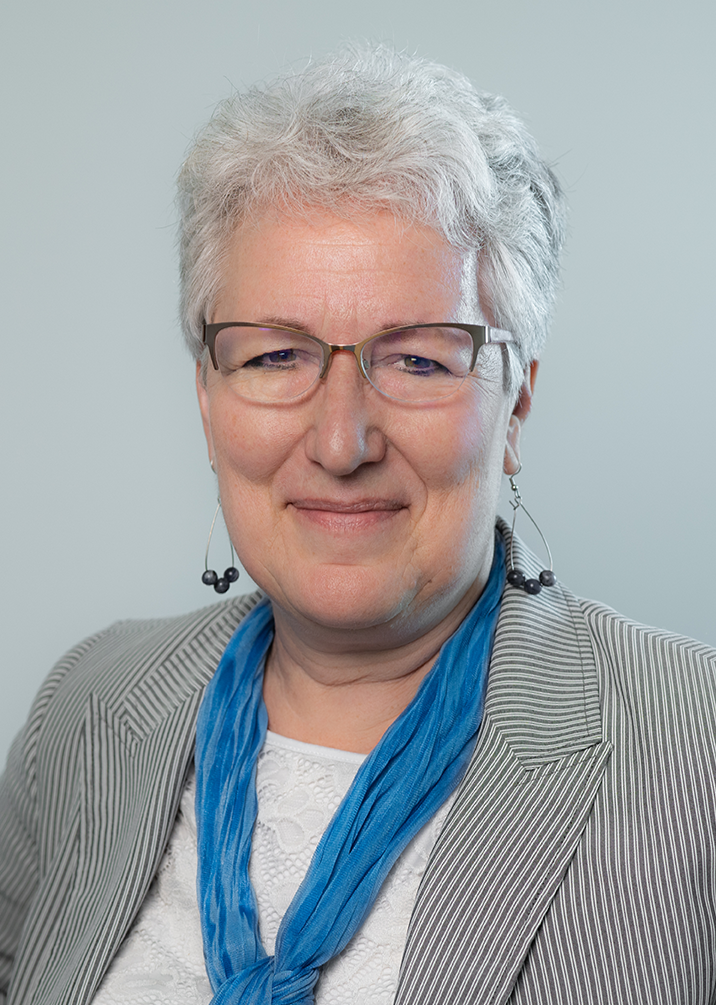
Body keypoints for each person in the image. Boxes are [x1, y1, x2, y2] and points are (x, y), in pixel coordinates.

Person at [1, 42, 715, 1005]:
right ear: (208, 398)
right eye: (275, 355)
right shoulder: (85, 708)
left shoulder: (692, 755)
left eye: (420, 359)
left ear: (518, 404)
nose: (341, 440)